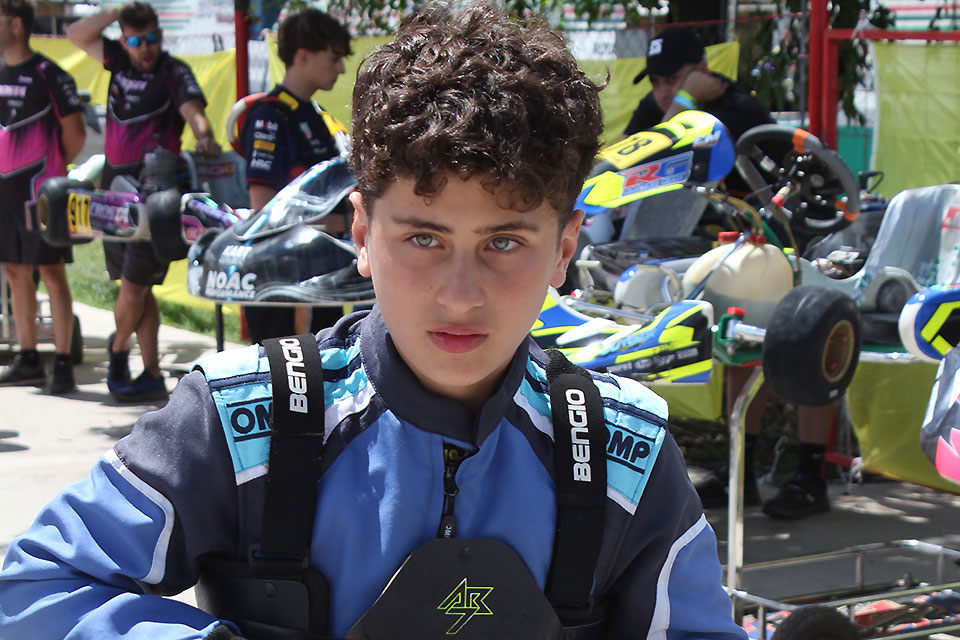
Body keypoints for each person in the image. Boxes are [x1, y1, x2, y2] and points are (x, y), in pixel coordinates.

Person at [0, 4, 747, 639]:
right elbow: (34, 589)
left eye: (504, 242)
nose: (461, 295)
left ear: (565, 247)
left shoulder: (625, 455)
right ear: (361, 232)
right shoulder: (239, 420)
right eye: (423, 238)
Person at [625, 27, 834, 519]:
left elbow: (678, 154)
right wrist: (675, 100)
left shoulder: (738, 109)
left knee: (812, 347)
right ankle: (741, 472)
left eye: (672, 79)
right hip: (730, 246)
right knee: (739, 347)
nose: (661, 91)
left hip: (790, 242)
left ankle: (812, 476)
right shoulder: (661, 106)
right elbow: (632, 160)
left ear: (701, 70)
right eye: (655, 81)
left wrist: (682, 101)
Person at [66, 1, 221, 402]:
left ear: (160, 34)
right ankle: (151, 372)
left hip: (150, 199)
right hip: (112, 193)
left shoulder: (173, 71)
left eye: (151, 37)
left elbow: (194, 114)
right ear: (123, 41)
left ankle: (118, 351)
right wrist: (116, 11)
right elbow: (76, 34)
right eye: (136, 41)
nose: (145, 47)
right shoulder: (117, 61)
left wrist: (204, 136)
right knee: (138, 289)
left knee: (133, 290)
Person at [239, 7, 351, 344]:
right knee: (287, 373)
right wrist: (344, 223)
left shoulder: (318, 115)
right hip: (282, 280)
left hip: (321, 273)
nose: (341, 68)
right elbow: (264, 210)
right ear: (302, 56)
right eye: (334, 58)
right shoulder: (271, 116)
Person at [0, 0, 85, 394]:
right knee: (15, 272)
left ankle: (63, 362)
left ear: (16, 25)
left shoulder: (48, 73)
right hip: (5, 194)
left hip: (42, 193)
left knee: (51, 272)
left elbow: (76, 134)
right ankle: (29, 357)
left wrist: (52, 168)